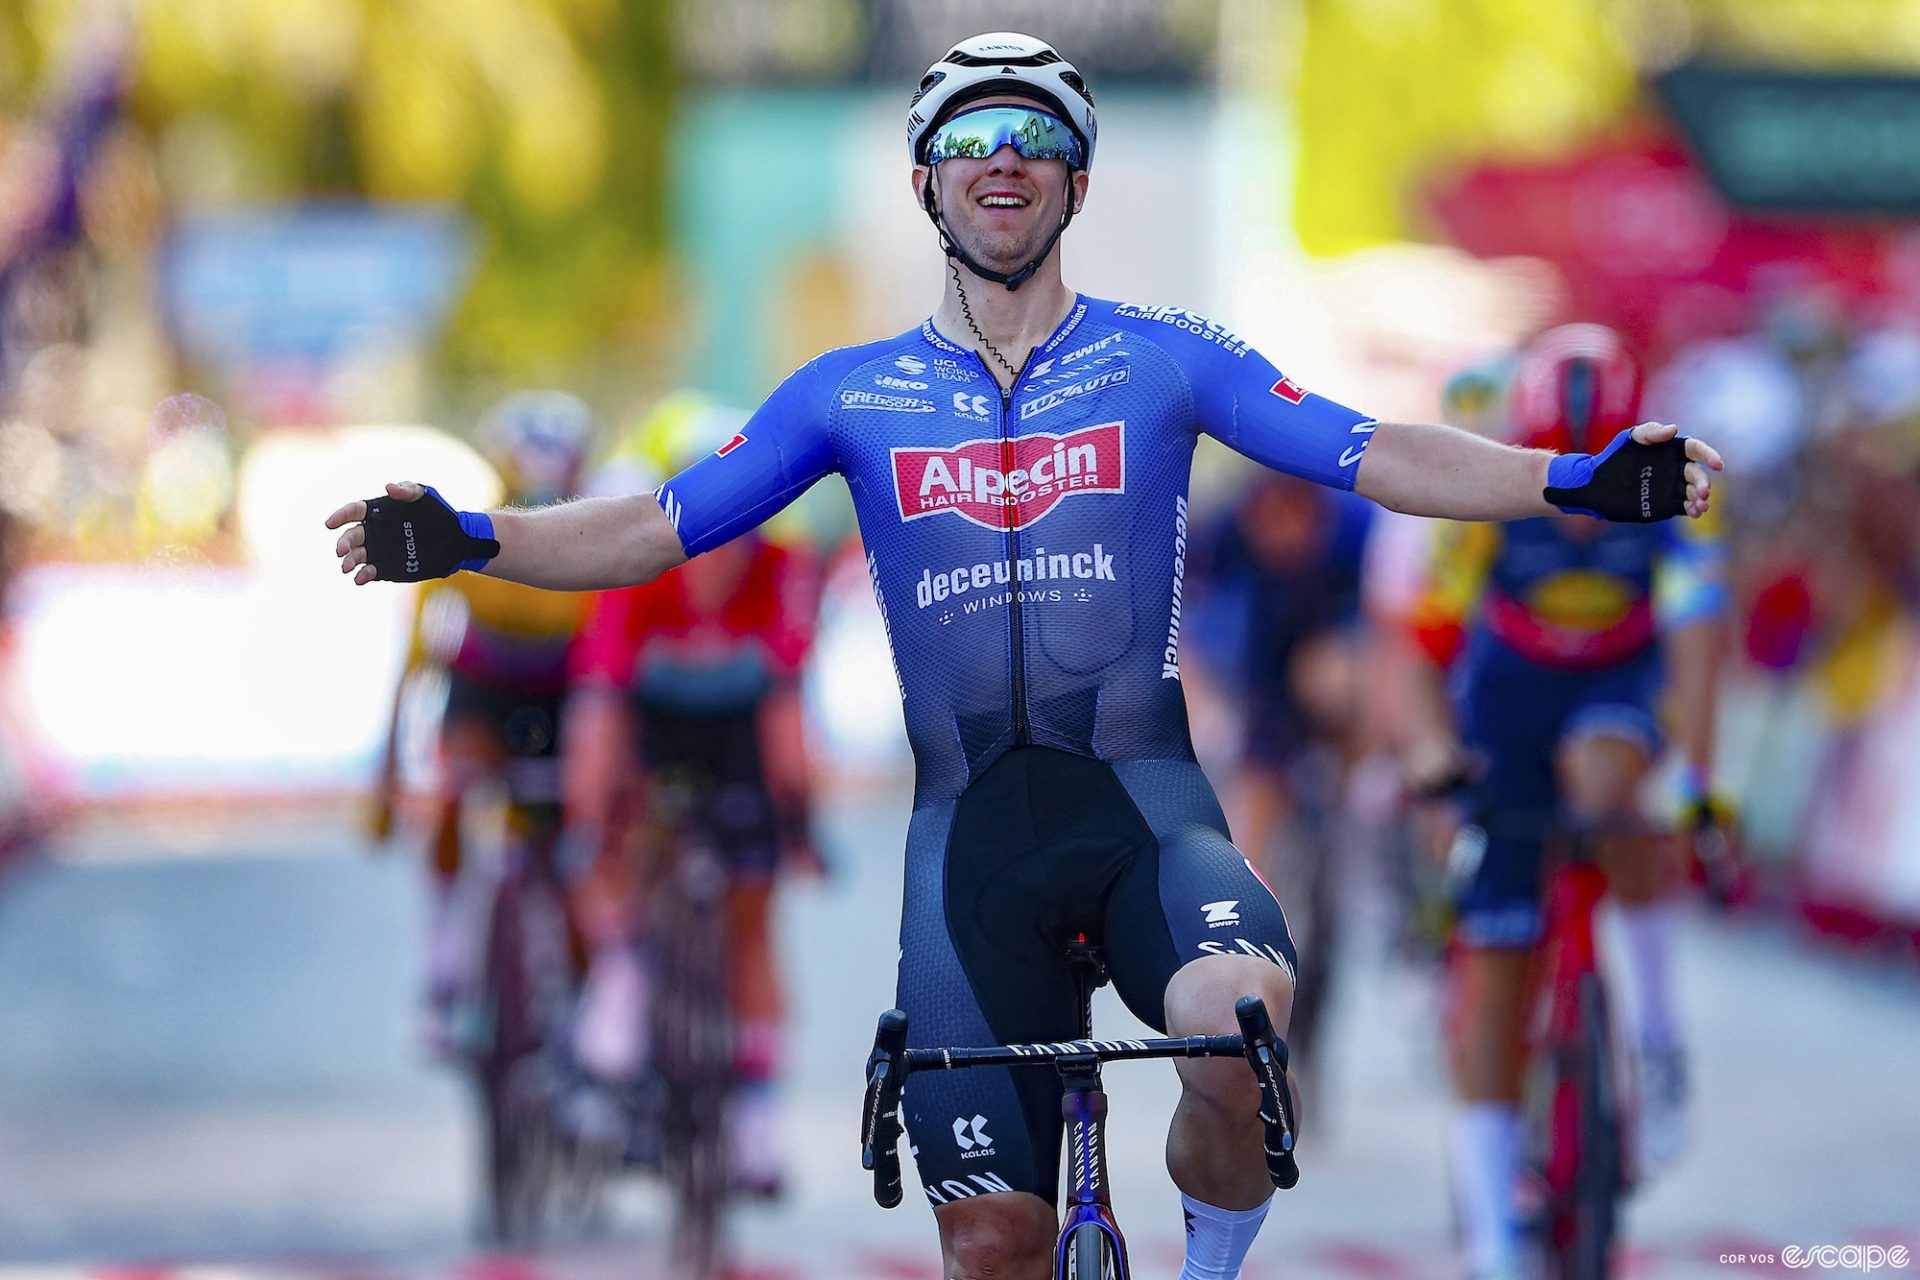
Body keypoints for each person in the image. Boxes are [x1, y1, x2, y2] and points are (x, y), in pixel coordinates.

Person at [328, 33, 1720, 1280]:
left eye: (1039, 140)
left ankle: (1210, 1265)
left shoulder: (1166, 360)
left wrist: (1578, 480)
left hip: (1140, 809)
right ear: (928, 186)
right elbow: (647, 528)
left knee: (1242, 1027)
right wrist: (467, 535)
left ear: (1079, 185)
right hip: (968, 843)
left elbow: (1375, 452)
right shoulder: (847, 395)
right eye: (971, 144)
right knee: (993, 1242)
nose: (1006, 162)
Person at [1401, 325, 1730, 1280]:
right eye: (1573, 467)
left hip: (1615, 689)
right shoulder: (1485, 504)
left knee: (1609, 782)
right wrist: (1427, 752)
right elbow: (1417, 650)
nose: (1593, 499)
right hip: (1506, 703)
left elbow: (1703, 644)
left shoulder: (1679, 497)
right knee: (1496, 963)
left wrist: (1699, 784)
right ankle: (1496, 1244)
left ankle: (1659, 1033)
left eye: (1613, 463)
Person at [561, 392, 823, 1196]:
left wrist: (799, 820)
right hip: (653, 734)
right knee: (618, 842)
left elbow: (786, 707)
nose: (722, 534)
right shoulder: (637, 569)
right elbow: (600, 712)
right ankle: (622, 981)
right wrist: (588, 824)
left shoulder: (784, 570)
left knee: (753, 915)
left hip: (740, 735)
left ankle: (755, 1123)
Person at [370, 390, 596, 1048]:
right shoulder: (465, 529)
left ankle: (576, 984)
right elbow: (419, 652)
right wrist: (387, 763)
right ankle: (442, 964)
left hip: (563, 690)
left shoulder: (601, 530)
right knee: (453, 793)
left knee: (564, 846)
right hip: (484, 687)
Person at [1183, 471, 1374, 1078]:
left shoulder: (1357, 531)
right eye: (1275, 523)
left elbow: (1394, 640)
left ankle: (1371, 866)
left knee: (1335, 678)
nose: (1288, 538)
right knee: (1251, 833)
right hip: (1260, 681)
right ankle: (1247, 938)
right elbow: (1180, 631)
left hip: (1336, 681)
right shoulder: (1223, 531)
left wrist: (1372, 752)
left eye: (1301, 522)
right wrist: (1206, 708)